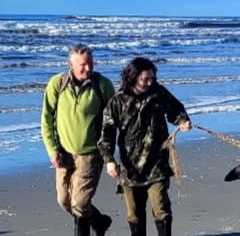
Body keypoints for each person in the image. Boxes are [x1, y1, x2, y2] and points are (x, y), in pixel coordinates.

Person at [98, 57, 192, 236]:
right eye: (145, 79)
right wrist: (109, 160)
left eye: (152, 78)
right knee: (134, 213)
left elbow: (176, 109)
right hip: (130, 167)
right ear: (133, 77)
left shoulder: (159, 93)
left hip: (157, 163)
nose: (150, 82)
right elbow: (107, 134)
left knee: (161, 207)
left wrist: (182, 121)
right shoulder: (118, 101)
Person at [41, 43, 116, 236]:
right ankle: (99, 221)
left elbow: (113, 121)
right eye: (83, 65)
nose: (88, 68)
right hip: (63, 153)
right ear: (71, 64)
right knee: (64, 201)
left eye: (90, 63)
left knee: (80, 203)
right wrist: (52, 150)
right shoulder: (57, 84)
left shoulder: (102, 85)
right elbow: (46, 119)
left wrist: (109, 157)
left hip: (90, 154)